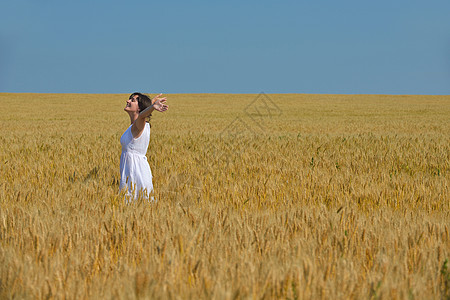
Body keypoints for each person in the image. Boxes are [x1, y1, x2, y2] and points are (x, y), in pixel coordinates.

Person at [119, 92, 168, 202]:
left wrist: (151, 107)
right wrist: (150, 104)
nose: (128, 101)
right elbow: (141, 114)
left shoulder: (140, 125)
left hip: (135, 173)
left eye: (132, 100)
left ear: (140, 108)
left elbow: (141, 115)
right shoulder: (137, 125)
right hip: (134, 171)